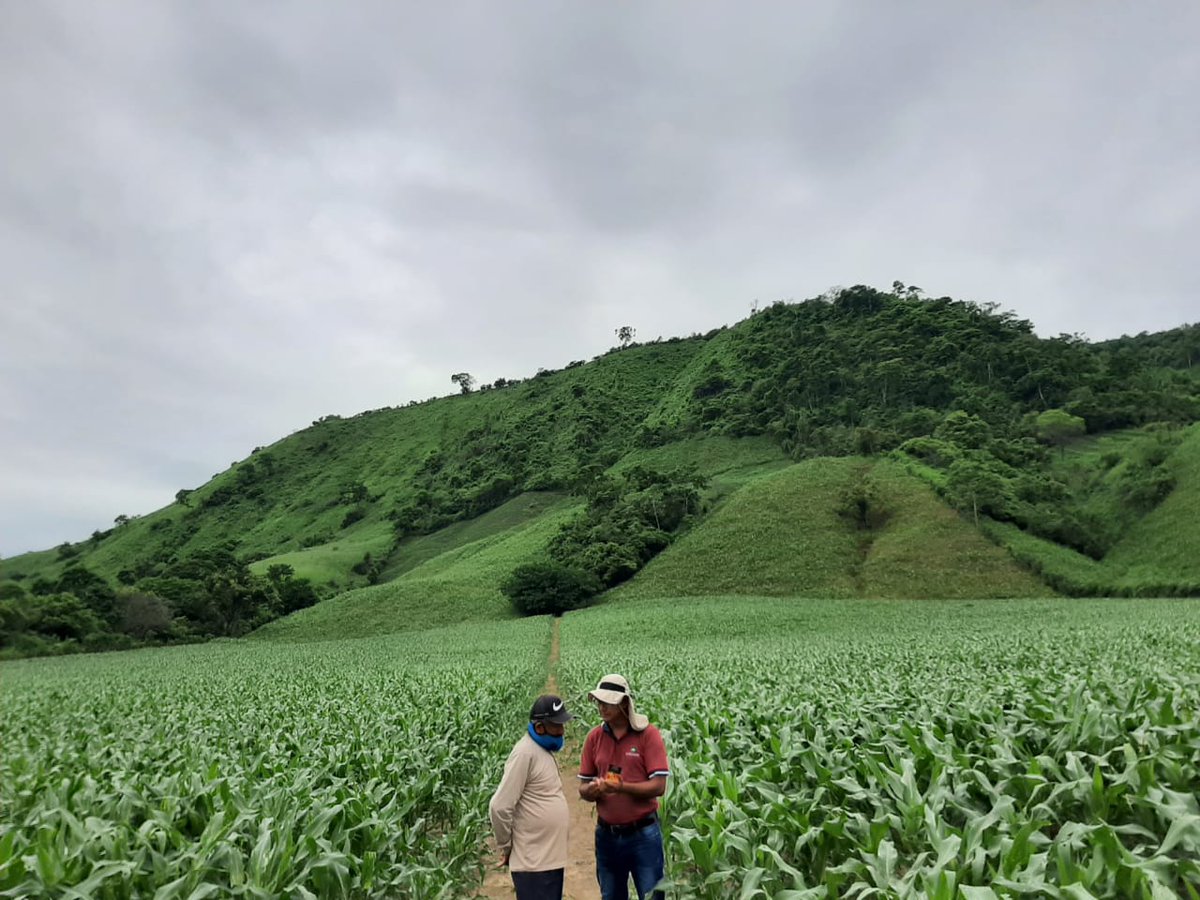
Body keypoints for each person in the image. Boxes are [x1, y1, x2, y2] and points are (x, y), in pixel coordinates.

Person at [577, 674, 669, 900]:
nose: (602, 707)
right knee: (611, 896)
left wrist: (621, 787)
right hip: (607, 836)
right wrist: (594, 790)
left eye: (608, 703)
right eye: (599, 702)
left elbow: (659, 786)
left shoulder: (648, 735)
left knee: (651, 896)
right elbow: (583, 787)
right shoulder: (594, 738)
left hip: (644, 835)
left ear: (624, 703)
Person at [489, 694, 574, 900]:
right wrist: (506, 846)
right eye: (556, 725)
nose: (562, 731)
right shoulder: (525, 753)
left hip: (548, 860)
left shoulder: (540, 750)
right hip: (534, 863)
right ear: (539, 727)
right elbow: (499, 806)